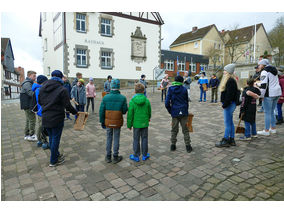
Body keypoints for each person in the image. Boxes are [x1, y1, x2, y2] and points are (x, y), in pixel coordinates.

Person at [38, 70, 78, 167]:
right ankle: (53, 161)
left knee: (52, 138)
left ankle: (56, 155)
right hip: (57, 118)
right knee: (55, 139)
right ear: (60, 78)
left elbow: (39, 101)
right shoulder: (62, 89)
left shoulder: (43, 87)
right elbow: (67, 105)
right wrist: (75, 112)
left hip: (46, 116)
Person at [99, 79, 128, 164]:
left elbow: (101, 111)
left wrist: (102, 121)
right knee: (116, 138)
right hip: (117, 121)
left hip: (108, 121)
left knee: (109, 137)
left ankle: (108, 156)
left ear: (111, 86)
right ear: (119, 87)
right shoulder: (122, 98)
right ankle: (115, 156)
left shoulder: (105, 97)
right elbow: (124, 111)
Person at [165, 75, 193, 153]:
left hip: (174, 111)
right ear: (181, 81)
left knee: (174, 129)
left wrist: (170, 111)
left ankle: (173, 145)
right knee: (185, 130)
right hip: (183, 111)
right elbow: (186, 102)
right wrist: (186, 111)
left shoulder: (170, 89)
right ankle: (188, 146)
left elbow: (167, 103)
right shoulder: (184, 89)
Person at [215, 64, 239, 147]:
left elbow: (230, 95)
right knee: (230, 122)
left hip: (229, 104)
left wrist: (224, 105)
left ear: (228, 71)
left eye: (225, 70)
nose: (224, 72)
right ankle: (232, 139)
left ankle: (225, 140)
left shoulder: (230, 81)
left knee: (227, 123)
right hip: (230, 104)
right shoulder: (230, 80)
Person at [257, 59, 282, 136]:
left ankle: (266, 130)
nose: (259, 66)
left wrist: (261, 96)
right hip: (277, 93)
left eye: (260, 64)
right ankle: (273, 128)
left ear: (263, 65)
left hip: (269, 94)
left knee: (267, 112)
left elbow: (264, 85)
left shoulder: (264, 71)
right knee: (272, 112)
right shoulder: (275, 70)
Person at [127, 83, 151, 162]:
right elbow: (149, 111)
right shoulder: (146, 101)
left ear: (135, 91)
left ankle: (136, 155)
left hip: (136, 124)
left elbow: (130, 114)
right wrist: (148, 118)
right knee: (144, 138)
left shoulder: (132, 102)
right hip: (144, 123)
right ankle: (144, 155)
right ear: (143, 91)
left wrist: (129, 124)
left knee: (136, 139)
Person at [32, 75, 50, 149]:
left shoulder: (36, 89)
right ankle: (43, 142)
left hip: (40, 111)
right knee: (42, 127)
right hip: (42, 111)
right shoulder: (40, 89)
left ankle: (39, 141)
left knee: (40, 126)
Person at [20, 70, 37, 141]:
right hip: (28, 105)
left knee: (28, 120)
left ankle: (26, 135)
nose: (35, 77)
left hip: (26, 105)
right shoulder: (27, 84)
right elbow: (31, 93)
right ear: (29, 76)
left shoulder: (28, 83)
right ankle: (31, 135)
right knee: (32, 120)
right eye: (34, 76)